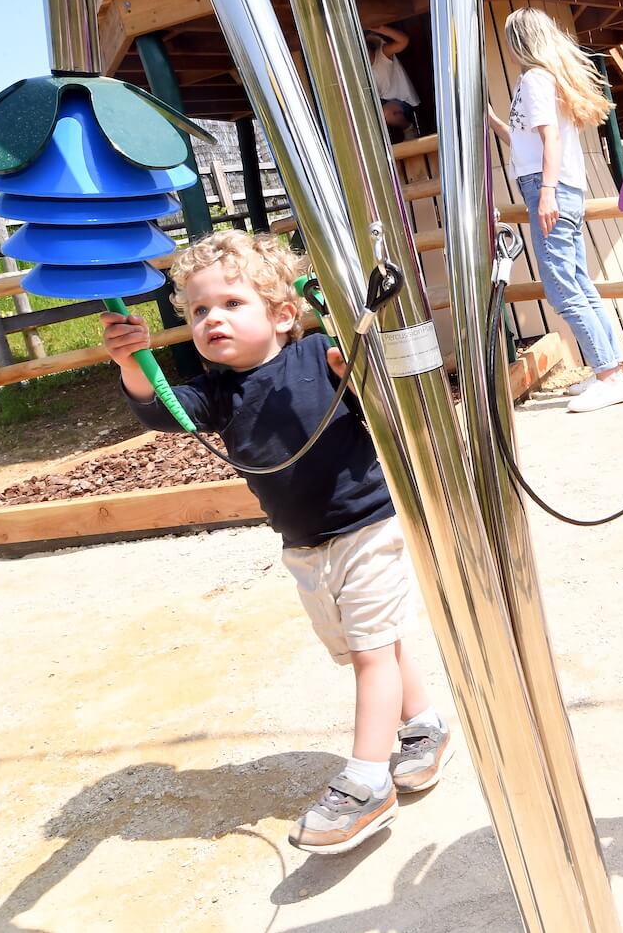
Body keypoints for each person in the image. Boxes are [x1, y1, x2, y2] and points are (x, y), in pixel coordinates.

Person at [101, 231, 452, 856]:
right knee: (371, 643)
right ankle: (424, 725)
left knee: (370, 651)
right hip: (304, 545)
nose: (212, 319)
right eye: (200, 310)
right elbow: (161, 411)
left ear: (284, 314)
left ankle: (367, 782)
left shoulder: (321, 355)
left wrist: (357, 374)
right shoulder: (214, 392)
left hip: (367, 525)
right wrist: (133, 363)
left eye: (232, 303)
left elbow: (386, 398)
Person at [487, 7, 623, 414]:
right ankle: (609, 370)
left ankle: (608, 376)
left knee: (561, 287)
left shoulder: (535, 79)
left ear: (519, 41)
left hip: (548, 188)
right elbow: (527, 142)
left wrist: (546, 192)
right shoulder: (546, 78)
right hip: (561, 187)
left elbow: (550, 140)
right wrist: (493, 119)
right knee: (578, 282)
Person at [366, 25, 421, 139]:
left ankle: (409, 128)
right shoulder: (360, 70)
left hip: (403, 101)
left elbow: (403, 41)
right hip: (383, 103)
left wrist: (381, 28)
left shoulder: (383, 53)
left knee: (386, 113)